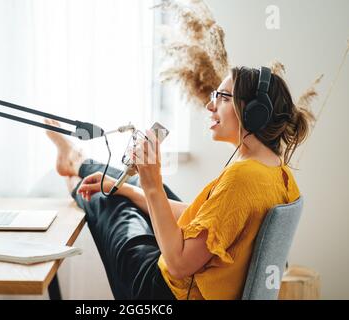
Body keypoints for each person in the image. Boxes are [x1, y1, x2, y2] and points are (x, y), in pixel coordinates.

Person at [44, 66, 314, 300]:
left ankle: (74, 170)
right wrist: (137, 189)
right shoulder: (277, 173)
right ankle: (75, 165)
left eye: (221, 97)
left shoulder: (242, 178)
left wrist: (152, 185)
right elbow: (206, 221)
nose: (210, 106)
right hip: (185, 283)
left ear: (255, 113)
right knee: (128, 186)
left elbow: (178, 265)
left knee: (112, 198)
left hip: (159, 291)